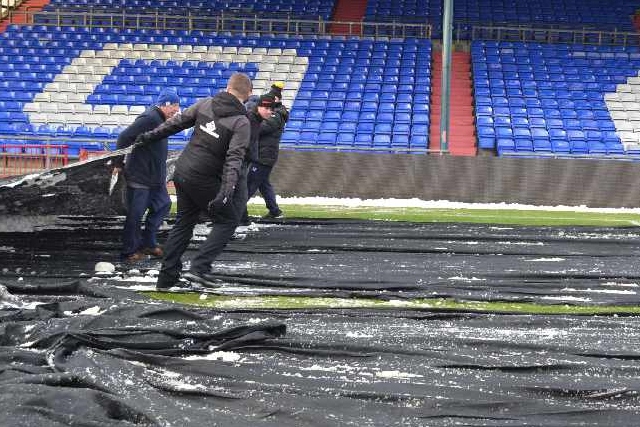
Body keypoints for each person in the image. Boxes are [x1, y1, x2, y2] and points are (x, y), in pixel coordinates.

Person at [133, 72, 254, 289]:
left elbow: (175, 124)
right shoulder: (241, 121)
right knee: (228, 220)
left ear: (228, 87)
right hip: (204, 177)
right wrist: (226, 193)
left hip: (183, 171)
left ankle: (167, 277)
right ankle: (199, 268)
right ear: (249, 94)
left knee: (184, 223)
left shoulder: (205, 103)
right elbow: (234, 159)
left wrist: (148, 136)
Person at [113, 89, 180, 263]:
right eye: (174, 105)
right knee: (135, 215)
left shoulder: (161, 119)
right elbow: (123, 138)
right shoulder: (149, 118)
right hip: (140, 176)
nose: (176, 110)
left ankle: (148, 243)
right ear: (165, 104)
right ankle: (129, 251)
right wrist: (118, 163)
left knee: (163, 205)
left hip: (155, 178)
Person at [244, 83, 289, 221]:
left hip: (264, 156)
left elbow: (260, 129)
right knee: (263, 184)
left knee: (248, 186)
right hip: (264, 155)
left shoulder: (275, 116)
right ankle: (275, 211)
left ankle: (237, 213)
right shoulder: (277, 114)